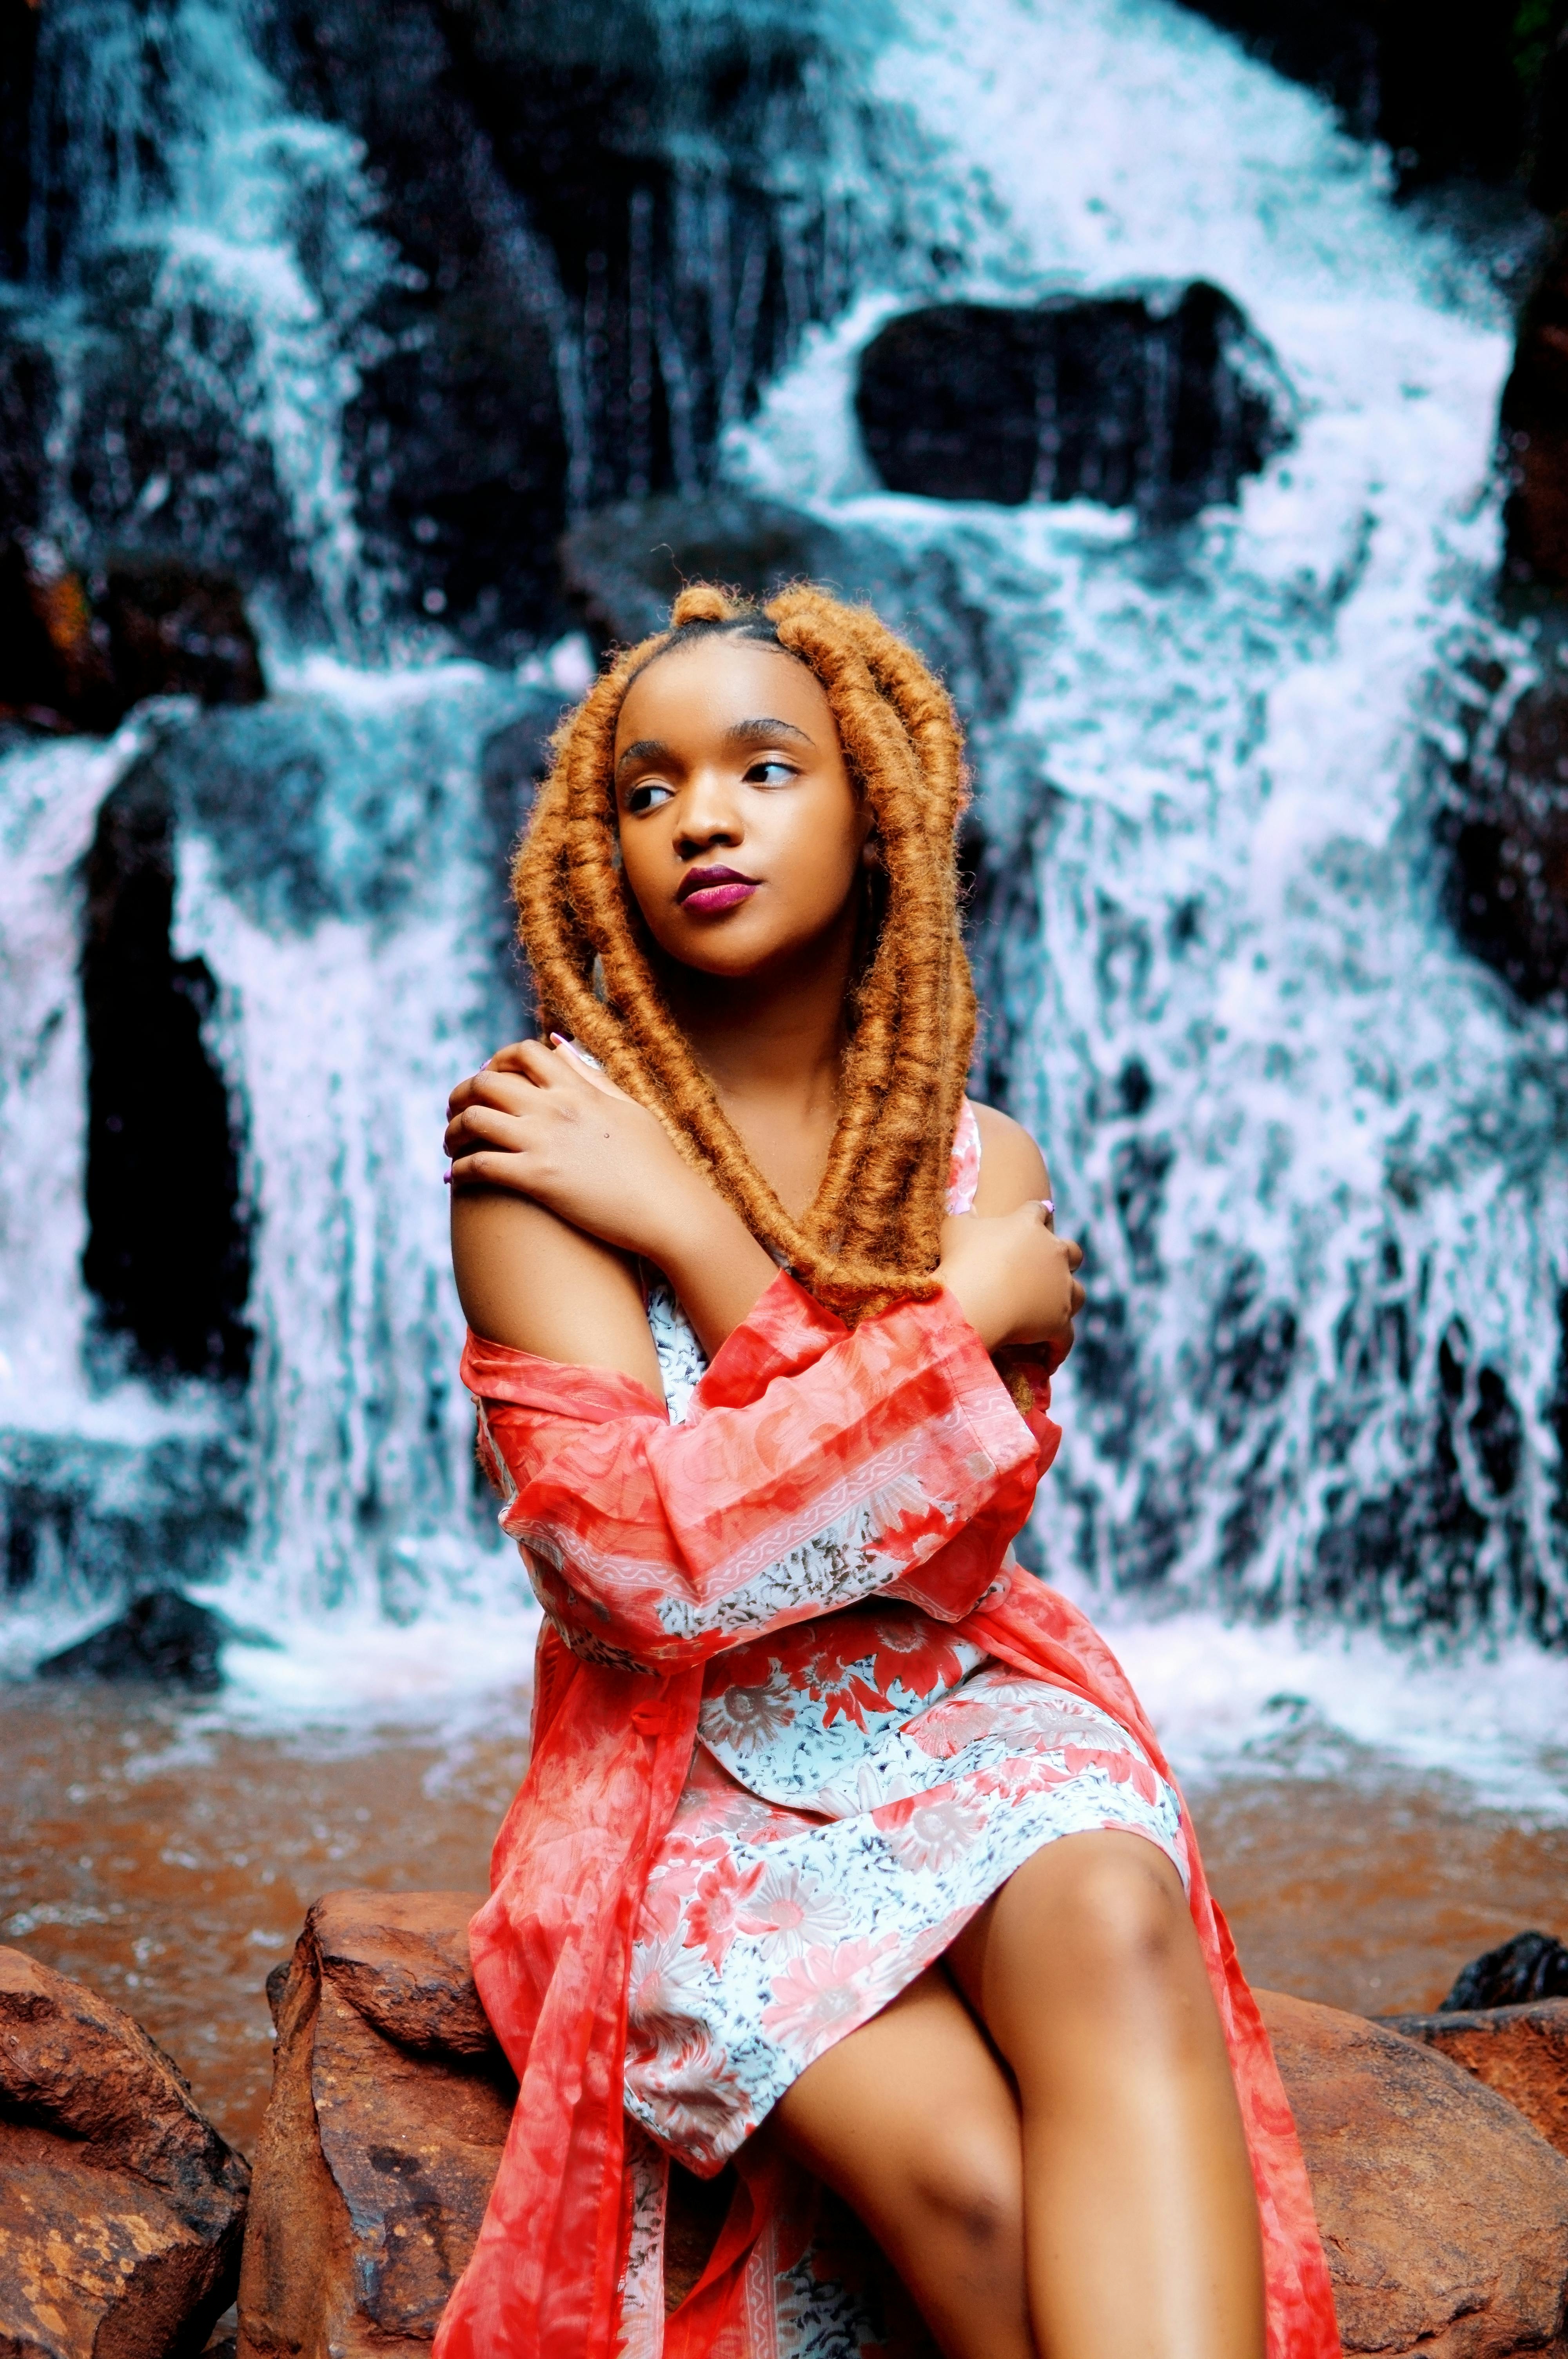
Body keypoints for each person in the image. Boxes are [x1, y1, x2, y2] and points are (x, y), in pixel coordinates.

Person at [435, 584, 1338, 2359]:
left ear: (875, 810)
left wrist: (701, 1257)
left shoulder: (977, 1160)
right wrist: (913, 1313)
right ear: (596, 850)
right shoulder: (540, 1148)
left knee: (1111, 1911)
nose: (701, 814)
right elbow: (640, 1569)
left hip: (973, 1715)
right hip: (685, 1780)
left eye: (765, 767)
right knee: (984, 2203)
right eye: (647, 786)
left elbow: (942, 1544)